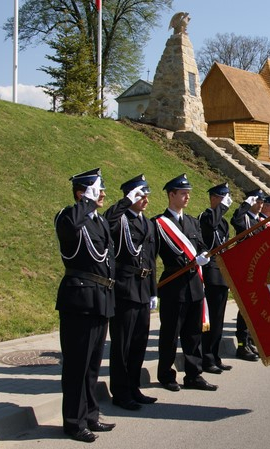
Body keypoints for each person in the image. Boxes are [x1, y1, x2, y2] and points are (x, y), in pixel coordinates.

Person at [54, 168, 116, 443]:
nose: (102, 194)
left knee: (92, 364)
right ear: (82, 194)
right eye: (96, 189)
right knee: (76, 365)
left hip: (100, 298)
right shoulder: (67, 216)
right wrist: (86, 202)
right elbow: (69, 229)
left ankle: (90, 414)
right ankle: (73, 422)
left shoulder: (99, 221)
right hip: (79, 299)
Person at [154, 174, 217, 392]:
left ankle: (193, 374)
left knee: (193, 334)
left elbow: (201, 245)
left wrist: (204, 255)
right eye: (183, 193)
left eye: (188, 193)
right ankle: (166, 375)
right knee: (170, 335)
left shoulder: (192, 221)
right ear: (171, 195)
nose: (187, 197)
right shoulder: (159, 224)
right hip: (174, 286)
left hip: (195, 285)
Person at [103, 174, 157, 411]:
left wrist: (153, 291)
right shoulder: (121, 220)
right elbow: (107, 221)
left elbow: (151, 259)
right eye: (140, 195)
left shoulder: (148, 223)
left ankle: (134, 387)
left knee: (138, 343)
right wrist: (125, 202)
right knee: (122, 345)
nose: (145, 200)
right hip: (125, 289)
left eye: (146, 195)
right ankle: (121, 392)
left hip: (143, 289)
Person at [198, 182, 234, 374]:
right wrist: (222, 208)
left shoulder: (223, 222)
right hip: (210, 273)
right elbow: (210, 226)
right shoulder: (205, 217)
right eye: (222, 198)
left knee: (219, 319)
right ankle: (207, 358)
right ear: (213, 198)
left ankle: (215, 356)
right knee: (210, 319)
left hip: (222, 274)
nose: (225, 202)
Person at [230, 188, 266, 362]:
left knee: (254, 309)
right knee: (245, 308)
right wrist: (245, 204)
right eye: (257, 201)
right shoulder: (244, 218)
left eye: (261, 202)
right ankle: (242, 345)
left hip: (258, 270)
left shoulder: (260, 221)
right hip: (246, 269)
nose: (260, 205)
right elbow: (235, 220)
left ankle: (250, 341)